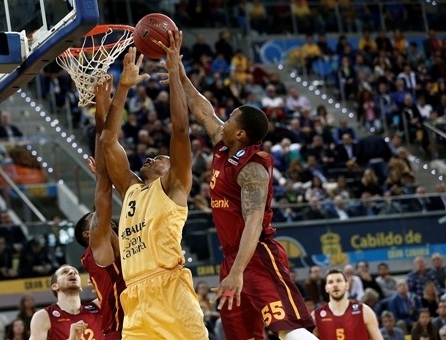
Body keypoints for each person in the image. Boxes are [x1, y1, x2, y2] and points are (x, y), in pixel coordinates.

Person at [168, 32, 316, 340]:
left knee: (288, 329)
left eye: (232, 119)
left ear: (242, 134)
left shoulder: (252, 167)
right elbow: (202, 109)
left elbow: (253, 222)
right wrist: (177, 70)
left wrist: (238, 272)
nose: (225, 121)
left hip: (257, 256)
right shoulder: (224, 146)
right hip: (231, 259)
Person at [99, 37, 207, 338]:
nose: (150, 157)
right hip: (135, 296)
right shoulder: (131, 188)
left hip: (171, 291)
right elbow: (108, 141)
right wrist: (123, 88)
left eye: (160, 158)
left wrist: (174, 72)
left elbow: (181, 129)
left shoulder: (175, 186)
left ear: (173, 169)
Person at [73, 77, 125, 340]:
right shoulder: (98, 245)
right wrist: (101, 111)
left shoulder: (114, 242)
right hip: (122, 328)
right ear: (88, 235)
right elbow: (103, 194)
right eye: (94, 219)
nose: (104, 218)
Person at [28, 265, 104, 340]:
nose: (72, 272)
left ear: (80, 286)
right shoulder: (44, 316)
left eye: (76, 272)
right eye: (64, 272)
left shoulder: (98, 306)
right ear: (55, 286)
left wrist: (101, 286)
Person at [312, 269, 382, 340]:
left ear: (347, 285)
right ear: (326, 288)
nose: (335, 285)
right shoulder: (315, 316)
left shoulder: (365, 311)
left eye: (339, 281)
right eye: (330, 282)